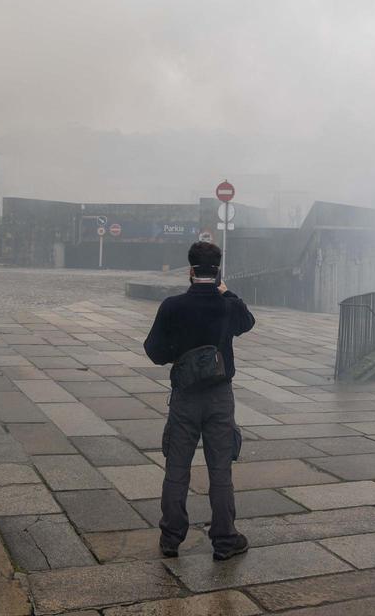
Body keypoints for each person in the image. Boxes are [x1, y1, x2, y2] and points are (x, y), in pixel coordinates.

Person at [143, 240, 256, 561]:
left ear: (190, 271)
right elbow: (248, 323)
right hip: (220, 397)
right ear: (217, 271)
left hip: (185, 398)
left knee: (177, 467)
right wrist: (227, 292)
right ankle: (224, 540)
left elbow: (153, 351)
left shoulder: (172, 306)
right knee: (220, 470)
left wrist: (178, 355)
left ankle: (171, 538)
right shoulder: (227, 306)